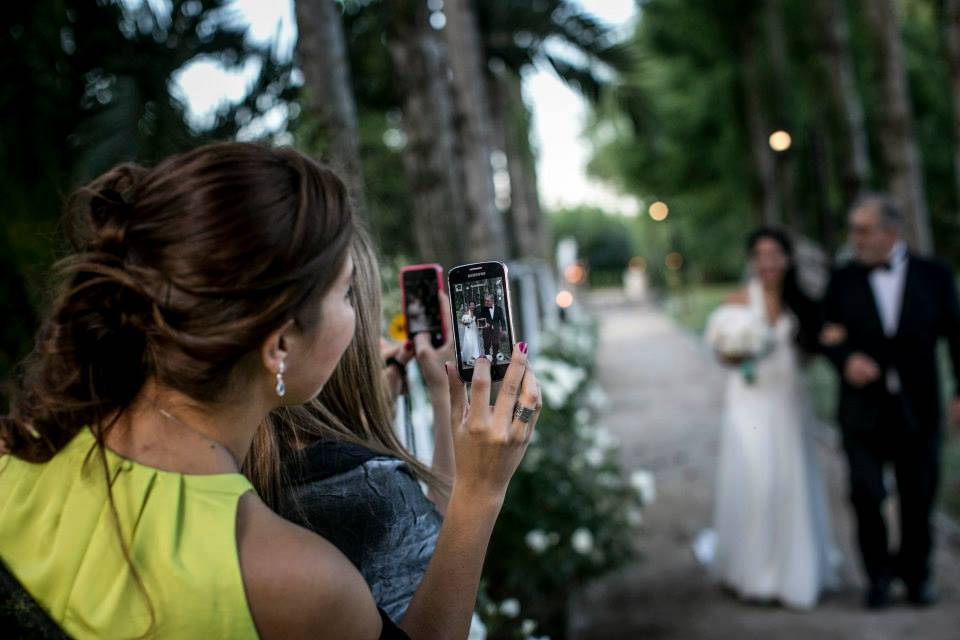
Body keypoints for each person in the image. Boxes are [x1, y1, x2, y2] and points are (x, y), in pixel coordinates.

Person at [0, 142, 543, 640]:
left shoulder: (17, 458)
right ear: (279, 343)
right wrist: (479, 491)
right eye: (347, 293)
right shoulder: (296, 581)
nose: (361, 322)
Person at [245, 228, 457, 622]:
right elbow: (444, 587)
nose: (377, 339)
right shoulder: (369, 490)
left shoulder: (236, 456)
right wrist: (444, 397)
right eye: (348, 297)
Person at [821, 193, 960, 609]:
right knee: (865, 494)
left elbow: (956, 336)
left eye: (863, 230)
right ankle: (877, 577)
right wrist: (847, 360)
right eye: (853, 230)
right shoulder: (842, 278)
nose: (855, 238)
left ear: (891, 232)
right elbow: (827, 335)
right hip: (862, 410)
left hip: (919, 408)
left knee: (919, 496)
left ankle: (917, 576)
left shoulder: (934, 275)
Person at [705, 228, 837, 610]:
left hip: (789, 399)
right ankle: (755, 574)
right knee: (759, 482)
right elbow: (721, 354)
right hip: (749, 402)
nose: (769, 262)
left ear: (787, 259)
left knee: (791, 482)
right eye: (761, 254)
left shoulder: (801, 303)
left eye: (776, 253)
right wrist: (738, 351)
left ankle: (797, 572)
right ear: (752, 261)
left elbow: (812, 351)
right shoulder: (738, 301)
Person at [479, 294, 508, 360]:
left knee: (496, 344)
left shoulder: (499, 309)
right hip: (486, 330)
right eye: (485, 301)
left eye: (487, 301)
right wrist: (485, 323)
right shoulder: (483, 309)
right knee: (486, 344)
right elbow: (480, 319)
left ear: (492, 301)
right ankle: (487, 358)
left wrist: (504, 330)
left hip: (496, 329)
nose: (485, 302)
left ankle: (495, 357)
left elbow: (502, 320)